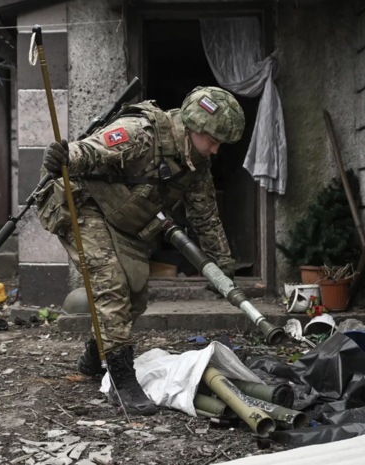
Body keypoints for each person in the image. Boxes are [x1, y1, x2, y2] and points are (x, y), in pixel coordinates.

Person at [37, 86, 245, 416]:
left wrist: (222, 266)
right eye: (214, 139)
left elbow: (204, 215)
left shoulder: (197, 165)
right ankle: (121, 380)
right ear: (193, 127)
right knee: (112, 284)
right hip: (84, 204)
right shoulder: (144, 134)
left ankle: (94, 357)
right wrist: (65, 156)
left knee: (135, 297)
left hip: (125, 220)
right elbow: (90, 151)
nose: (216, 149)